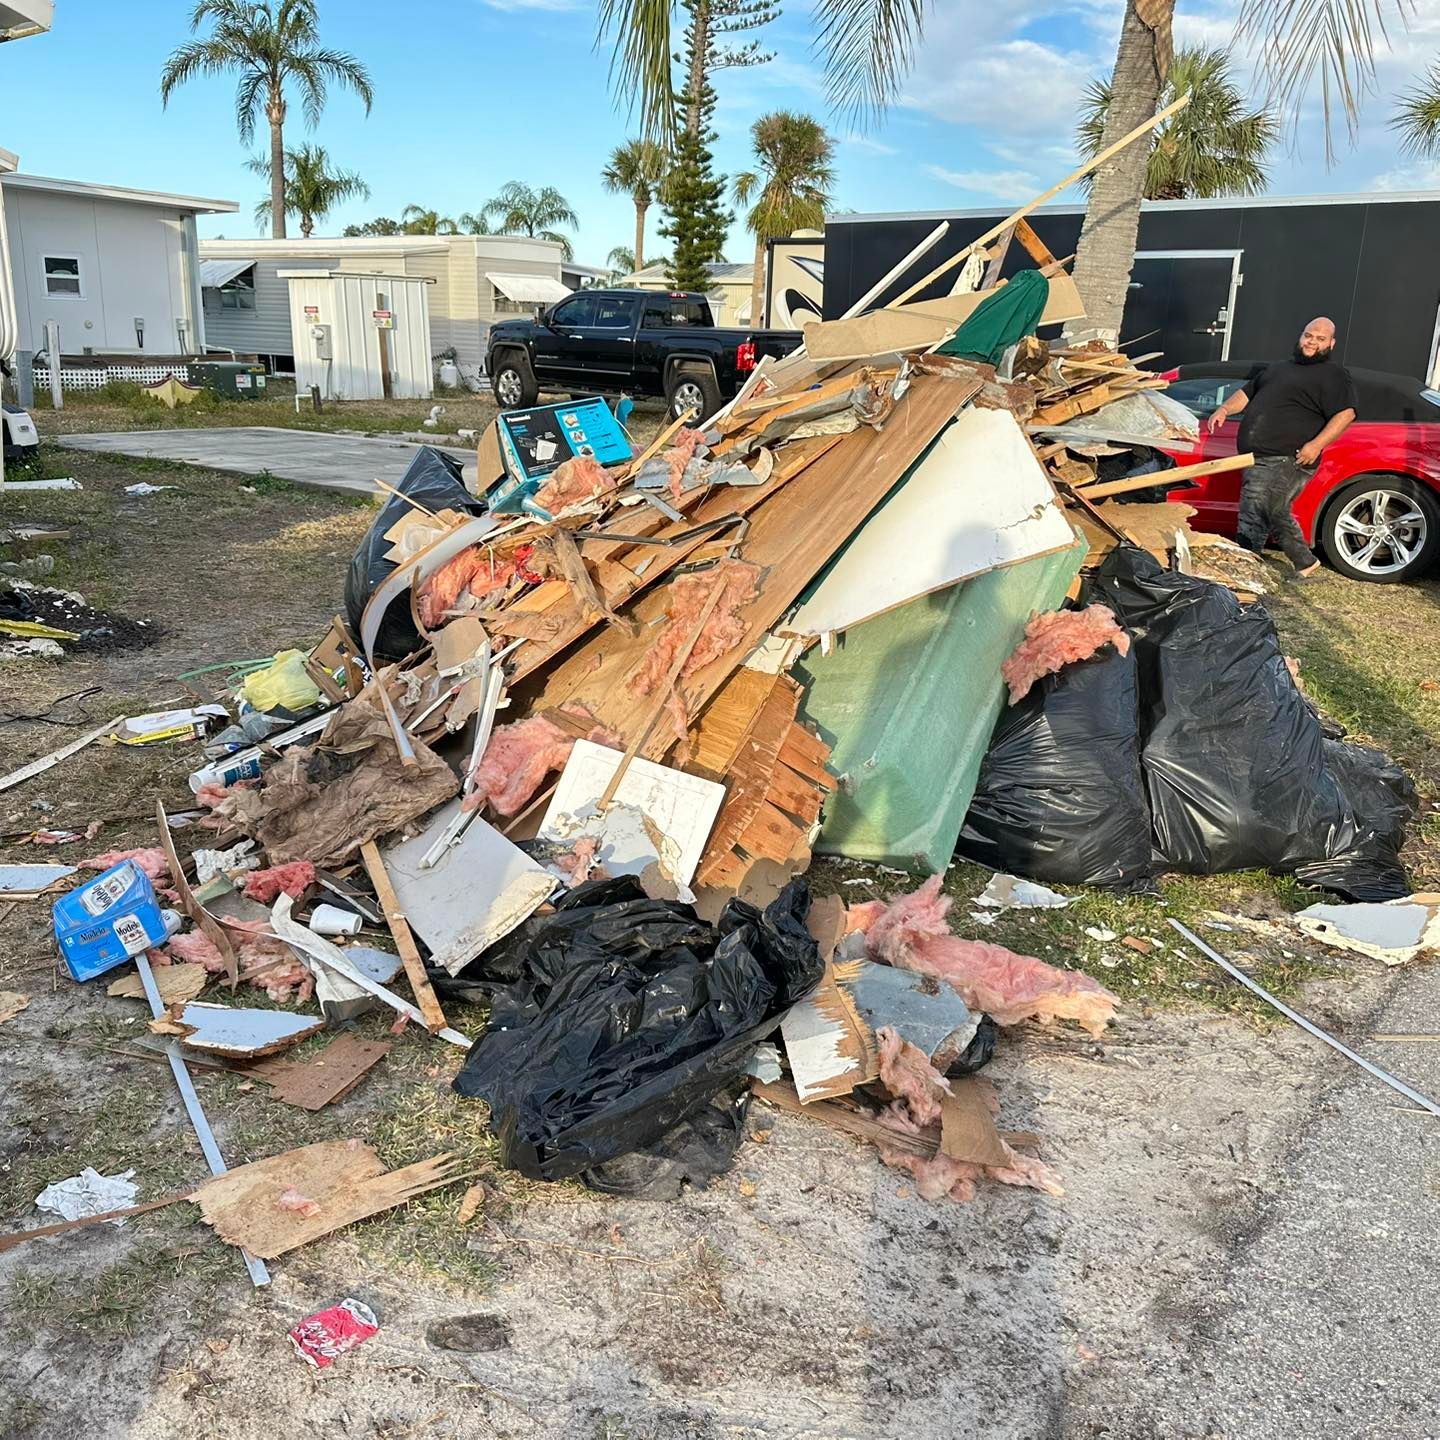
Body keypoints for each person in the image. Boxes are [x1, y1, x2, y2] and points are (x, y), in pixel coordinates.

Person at [1206, 317, 1357, 581]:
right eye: (1309, 336)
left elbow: (1345, 414)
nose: (1312, 342)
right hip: (1258, 456)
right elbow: (1247, 393)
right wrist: (1225, 408)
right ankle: (1303, 561)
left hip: (1291, 456)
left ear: (1331, 344)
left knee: (1258, 508)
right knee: (1268, 509)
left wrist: (1315, 445)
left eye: (1321, 339)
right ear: (1300, 336)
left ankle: (1247, 566)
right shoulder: (1277, 369)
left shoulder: (1334, 375)